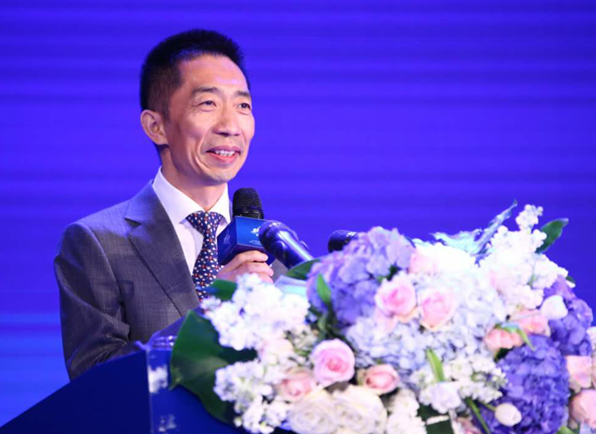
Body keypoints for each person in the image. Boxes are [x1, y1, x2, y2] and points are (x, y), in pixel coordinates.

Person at [54, 29, 276, 380]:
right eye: (208, 104)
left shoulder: (270, 249)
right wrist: (209, 314)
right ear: (155, 126)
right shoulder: (97, 241)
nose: (231, 126)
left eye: (243, 106)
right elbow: (94, 377)